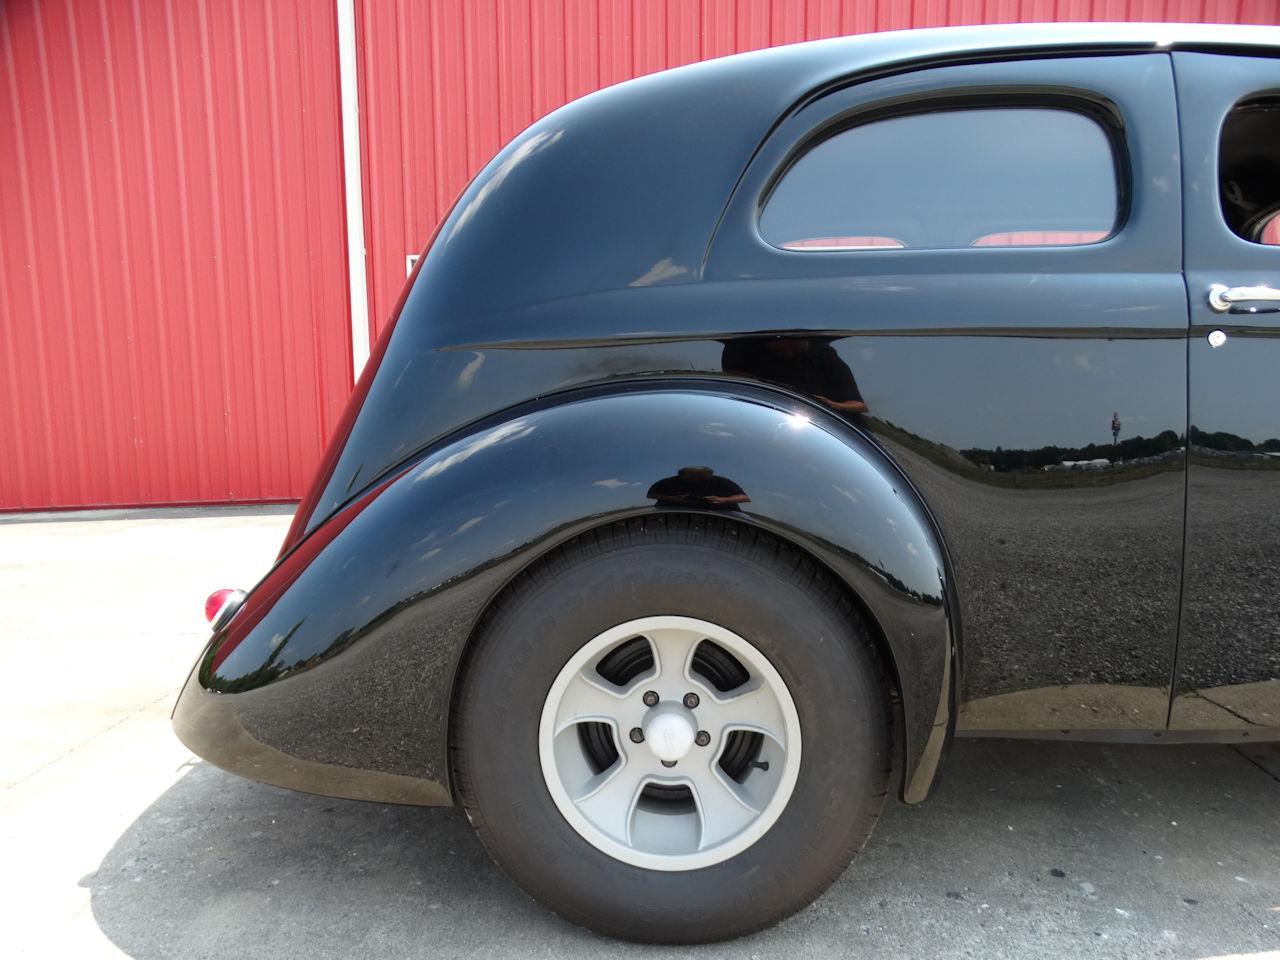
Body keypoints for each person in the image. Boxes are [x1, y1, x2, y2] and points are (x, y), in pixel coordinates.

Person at [721, 336, 868, 414]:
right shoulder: (750, 352)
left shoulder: (827, 357)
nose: (772, 345)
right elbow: (731, 377)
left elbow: (860, 406)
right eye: (769, 341)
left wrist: (832, 405)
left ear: (795, 338)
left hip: (825, 424)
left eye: (778, 340)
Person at [647, 467, 750, 510]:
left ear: (709, 475)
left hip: (722, 513)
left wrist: (723, 500)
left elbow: (744, 497)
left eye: (700, 475)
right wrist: (672, 498)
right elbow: (651, 494)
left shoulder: (721, 481)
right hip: (673, 511)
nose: (695, 478)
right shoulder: (669, 481)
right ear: (681, 475)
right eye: (691, 475)